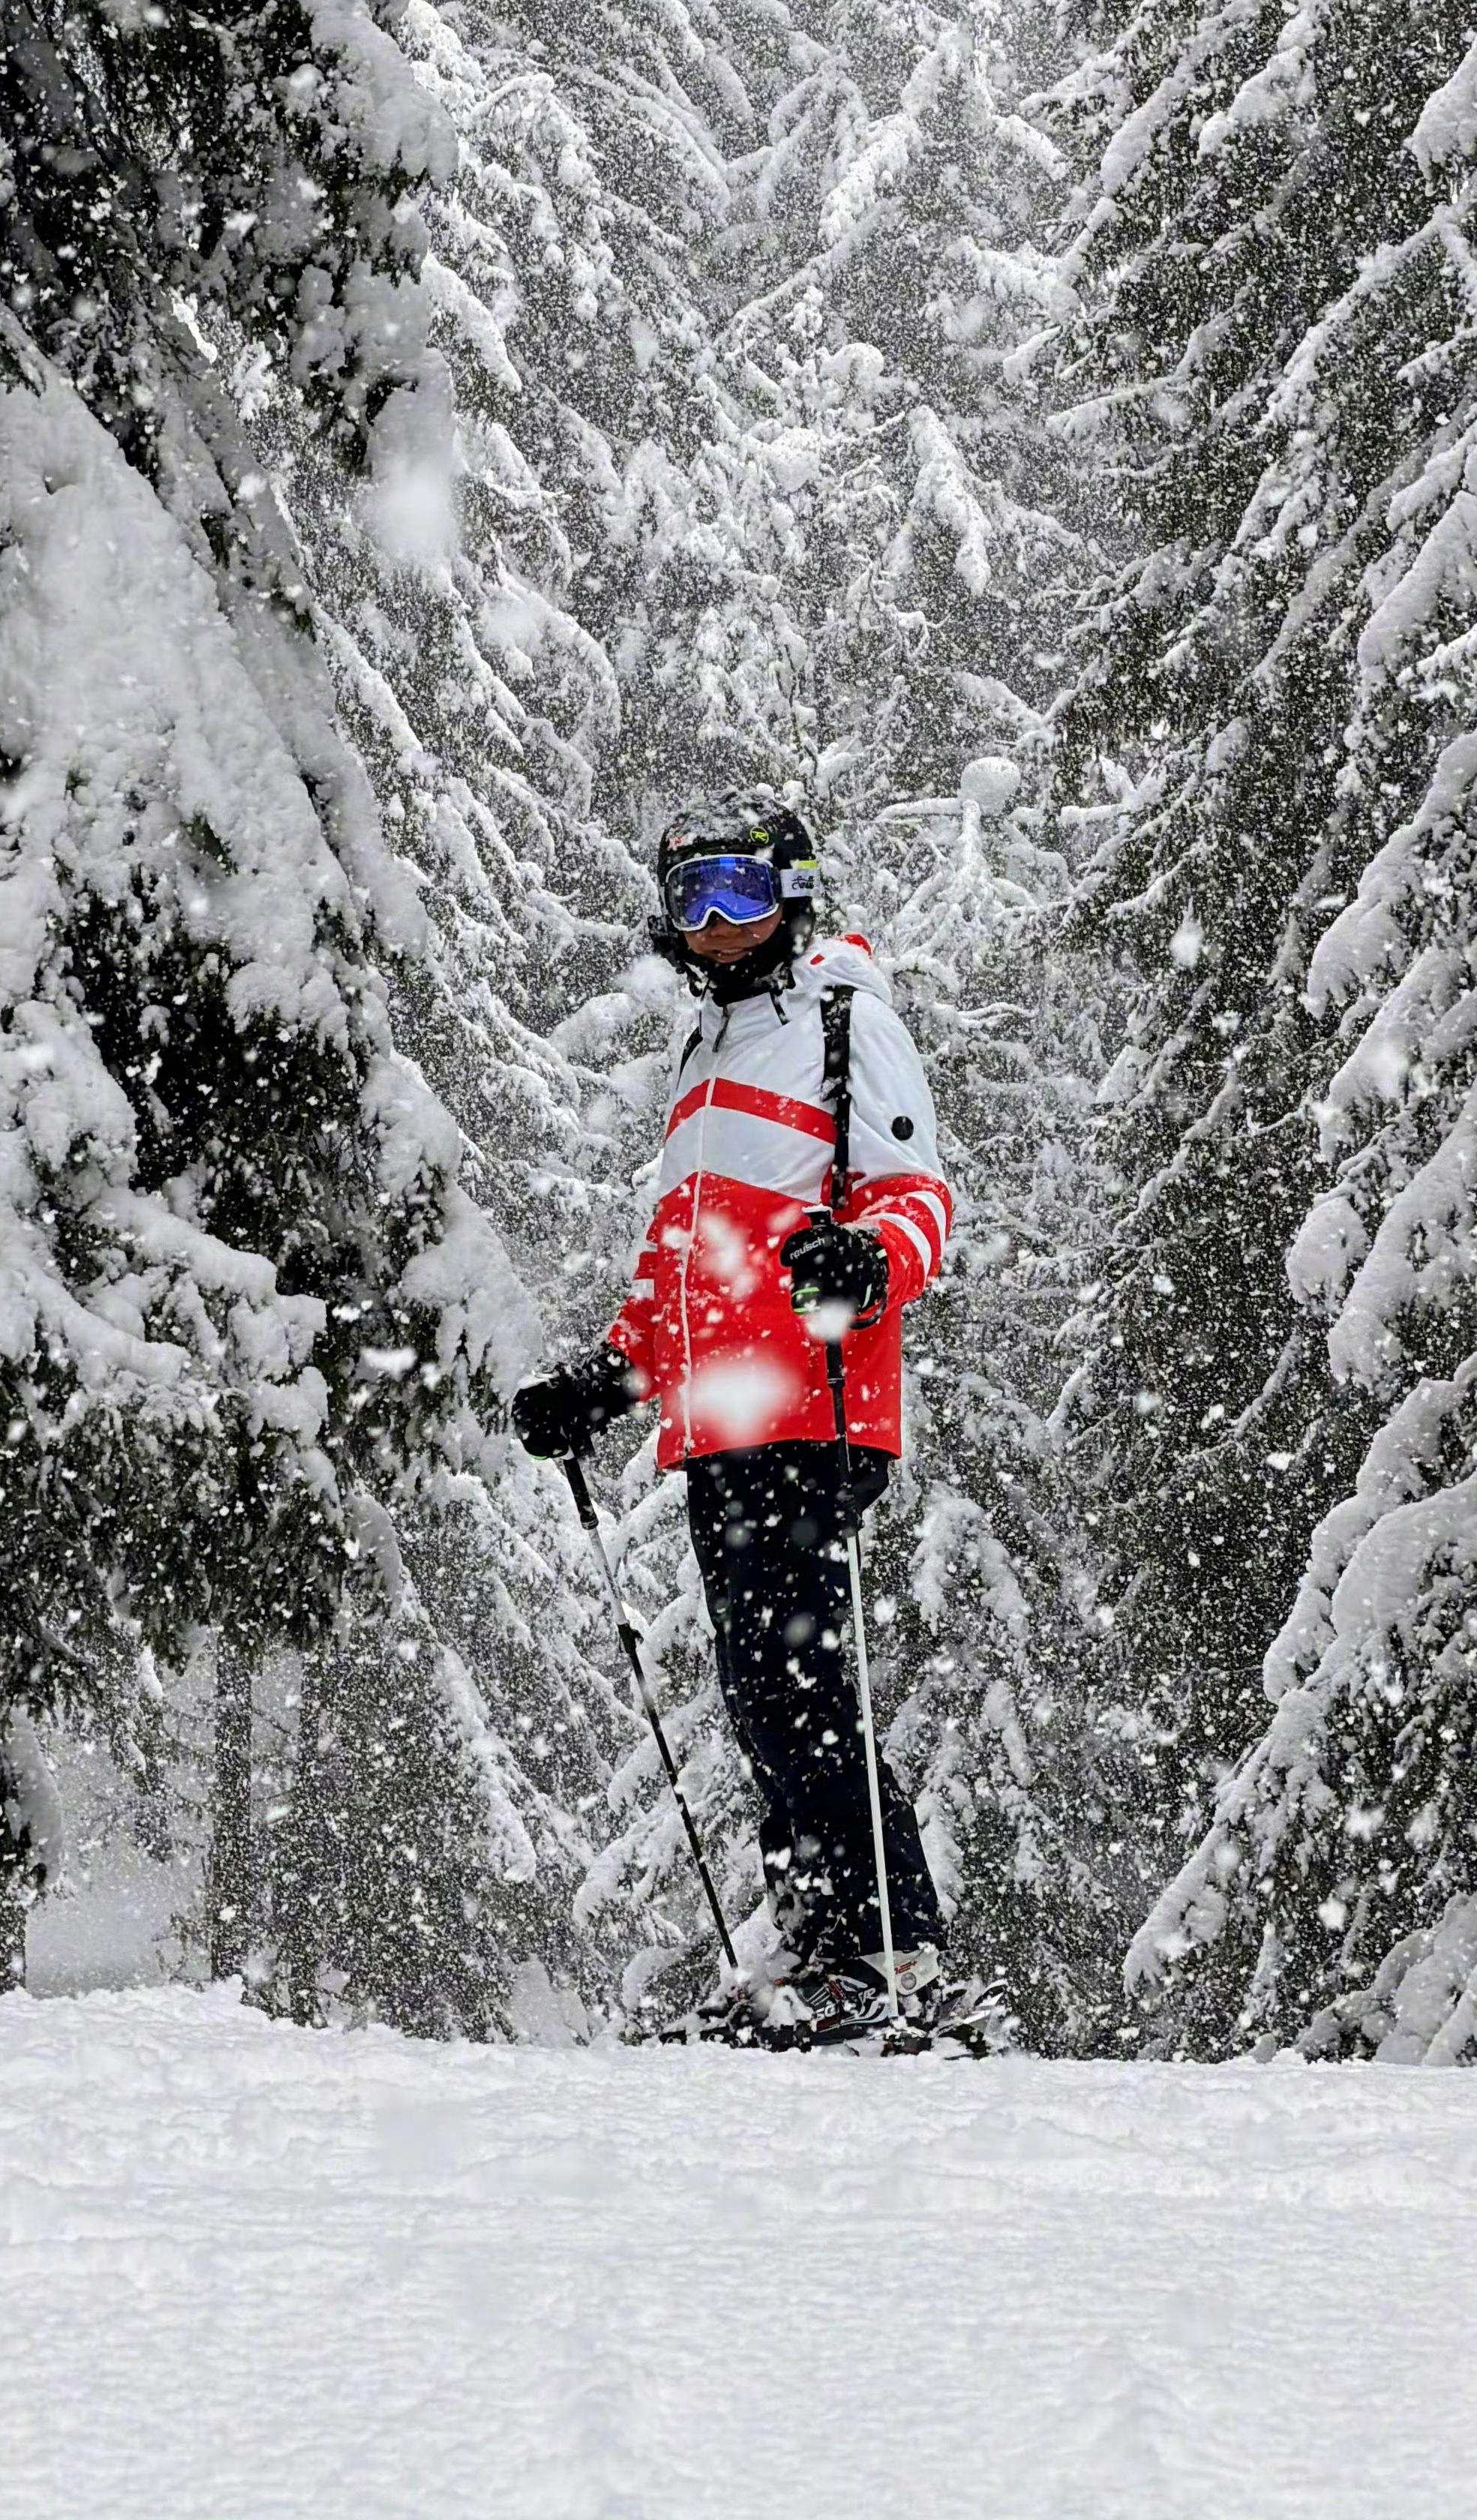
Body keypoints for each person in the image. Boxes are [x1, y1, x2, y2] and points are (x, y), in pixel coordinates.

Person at [511, 791, 953, 2034]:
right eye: (692, 900)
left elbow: (919, 1198)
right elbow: (682, 1262)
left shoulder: (842, 1020)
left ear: (790, 896)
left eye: (741, 896)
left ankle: (888, 1954)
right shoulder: (701, 1057)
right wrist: (607, 1378)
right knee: (763, 1694)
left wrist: (866, 1261)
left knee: (802, 1684)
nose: (715, 925)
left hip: (814, 1402)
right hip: (718, 1421)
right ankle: (822, 1951)